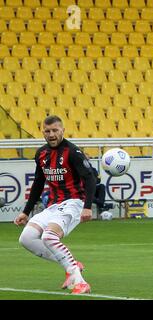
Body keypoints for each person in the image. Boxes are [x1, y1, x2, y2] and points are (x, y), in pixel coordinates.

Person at [14, 115, 96, 294]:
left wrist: (87, 206)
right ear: (43, 132)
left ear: (62, 131)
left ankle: (80, 282)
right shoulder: (41, 154)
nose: (51, 134)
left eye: (55, 130)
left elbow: (89, 178)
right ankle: (72, 265)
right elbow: (38, 183)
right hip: (53, 205)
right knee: (26, 239)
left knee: (49, 237)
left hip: (74, 202)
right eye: (47, 131)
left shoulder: (73, 152)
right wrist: (26, 212)